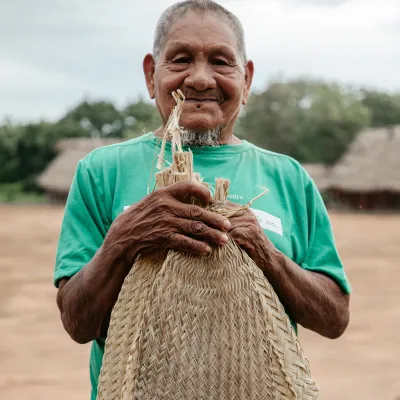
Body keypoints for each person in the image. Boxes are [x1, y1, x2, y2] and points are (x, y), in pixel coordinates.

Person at [54, 1, 351, 399]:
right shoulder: (101, 171)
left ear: (245, 80)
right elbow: (77, 323)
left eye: (220, 62)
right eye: (180, 60)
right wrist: (125, 238)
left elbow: (334, 318)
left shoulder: (288, 177)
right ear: (150, 74)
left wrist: (266, 254)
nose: (199, 78)